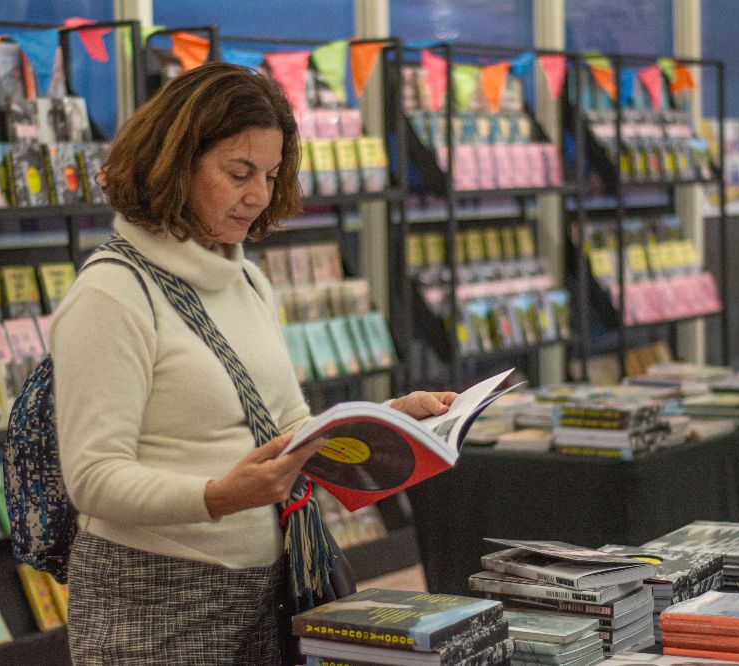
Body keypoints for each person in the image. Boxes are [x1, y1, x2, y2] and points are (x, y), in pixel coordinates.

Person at [51, 61, 457, 665]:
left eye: (269, 175)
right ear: (174, 162)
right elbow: (93, 477)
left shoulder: (244, 278)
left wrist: (387, 419)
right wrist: (218, 495)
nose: (260, 195)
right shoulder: (111, 295)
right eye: (238, 173)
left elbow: (283, 425)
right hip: (153, 601)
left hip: (269, 587)